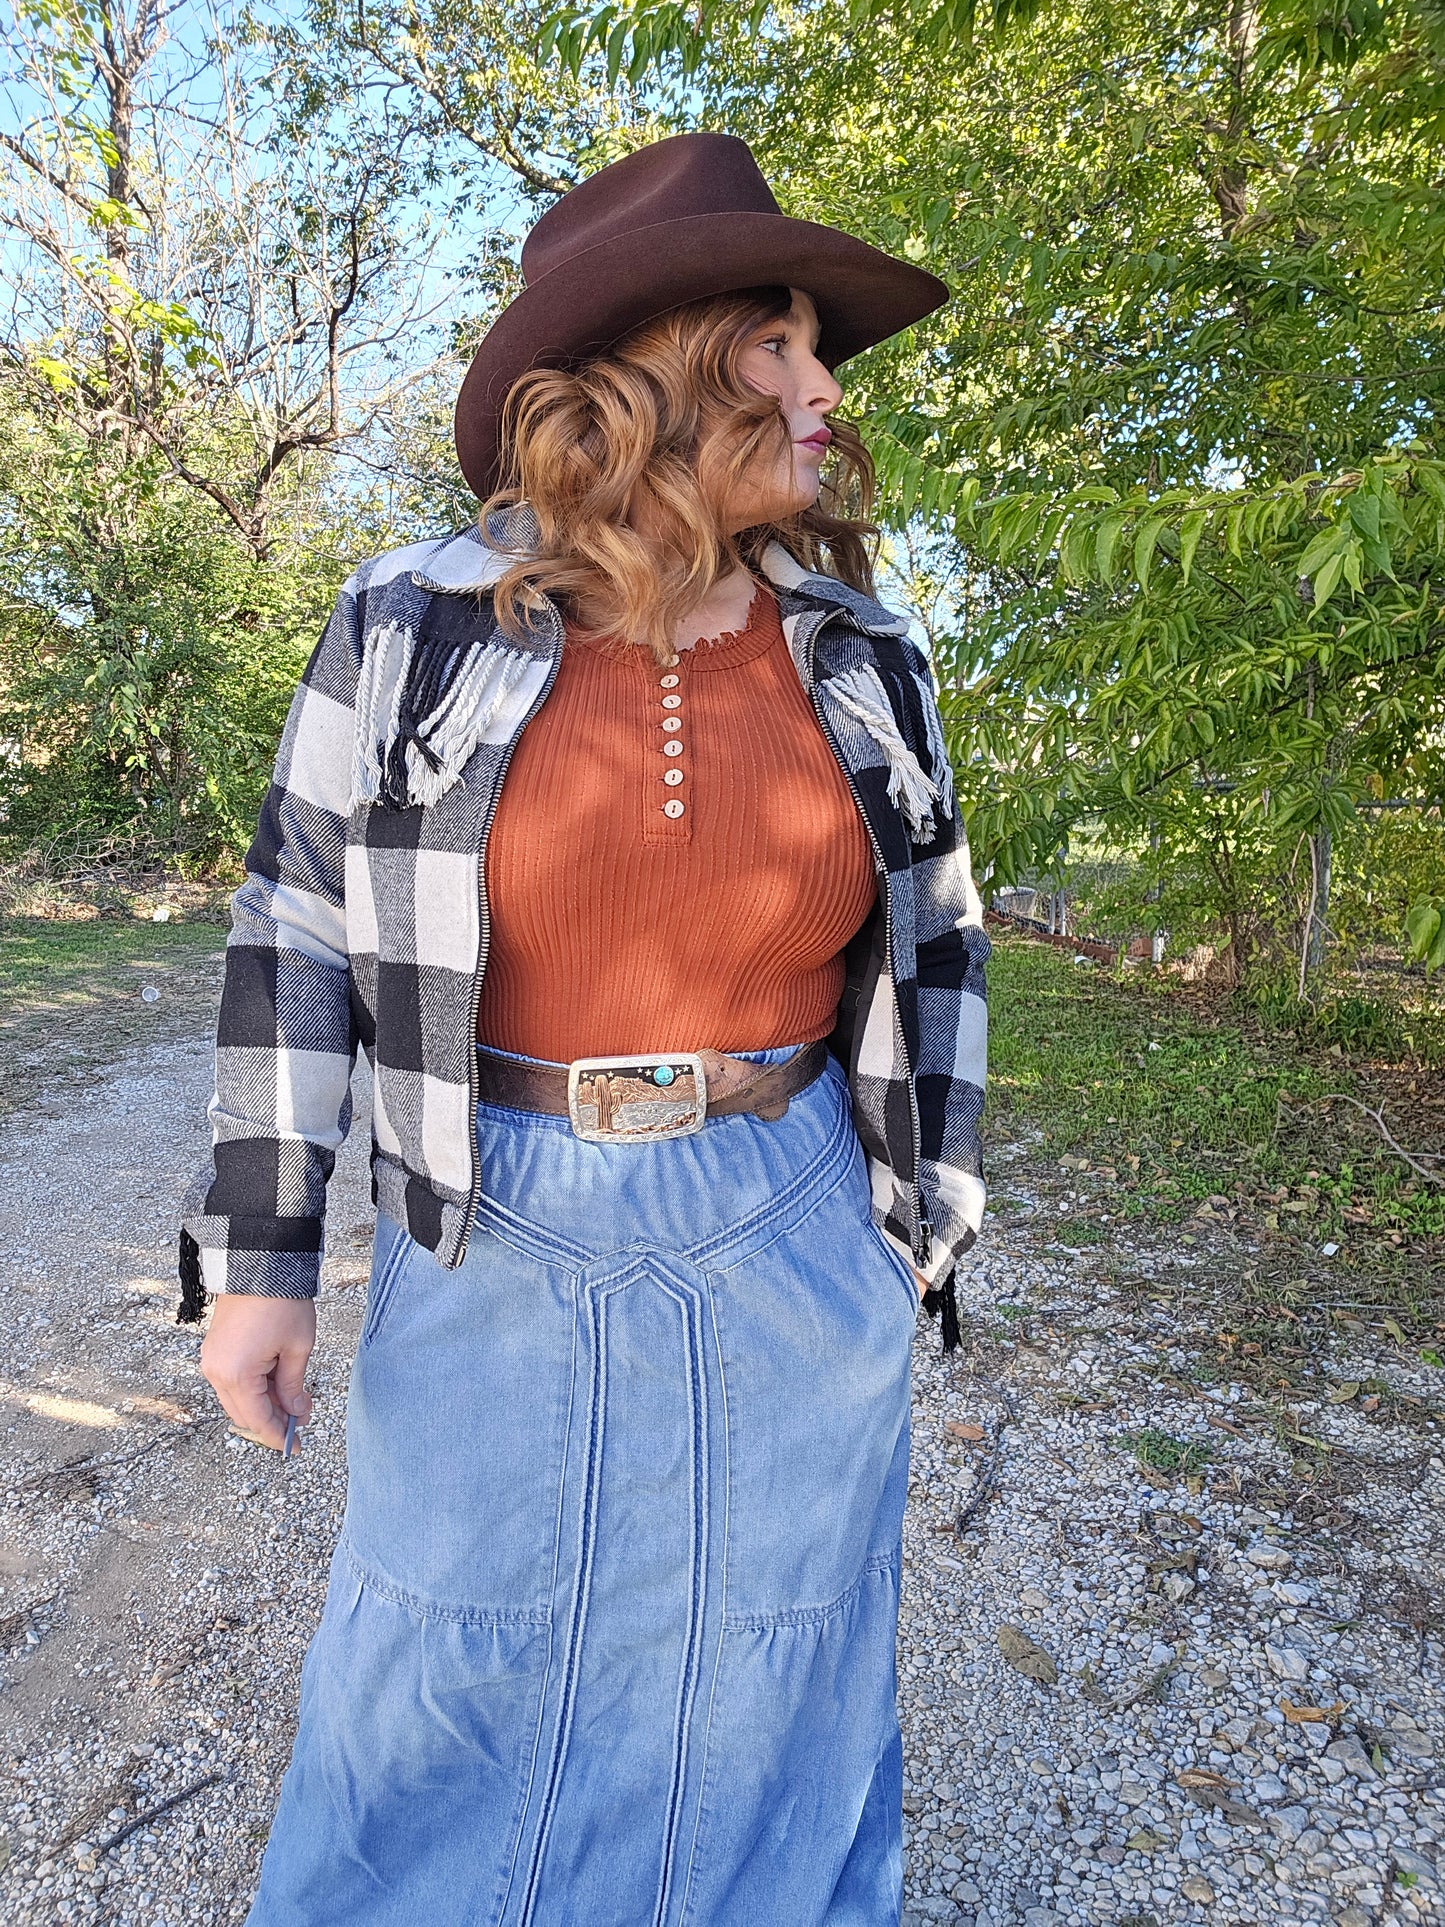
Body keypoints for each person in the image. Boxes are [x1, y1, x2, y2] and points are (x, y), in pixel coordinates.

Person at [181, 129, 989, 1927]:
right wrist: (265, 1260)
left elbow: (936, 949)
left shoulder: (866, 652)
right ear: (643, 378)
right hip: (499, 1212)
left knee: (774, 1661)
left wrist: (917, 1240)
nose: (817, 388)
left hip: (790, 1210)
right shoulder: (412, 624)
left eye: (814, 348)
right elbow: (297, 927)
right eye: (769, 345)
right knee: (448, 1657)